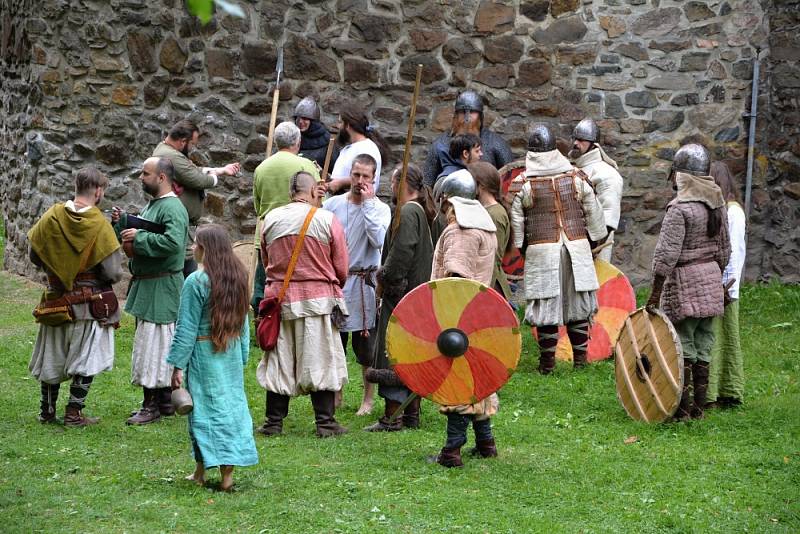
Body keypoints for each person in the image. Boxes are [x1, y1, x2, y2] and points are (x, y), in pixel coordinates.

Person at [28, 166, 124, 426]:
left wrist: (58, 268)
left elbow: (34, 255)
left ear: (76, 186)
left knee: (52, 355)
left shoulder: (50, 217)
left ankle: (47, 411)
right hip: (88, 305)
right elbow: (113, 272)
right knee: (86, 358)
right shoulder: (100, 226)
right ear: (98, 191)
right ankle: (73, 413)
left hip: (55, 301)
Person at [256, 171, 350, 437]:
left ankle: (274, 422)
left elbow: (267, 262)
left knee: (280, 360)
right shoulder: (327, 219)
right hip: (319, 300)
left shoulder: (270, 220)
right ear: (311, 192)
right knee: (319, 358)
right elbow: (341, 266)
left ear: (291, 193)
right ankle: (325, 423)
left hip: (280, 299)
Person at [508, 124, 607, 374]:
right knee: (578, 304)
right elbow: (593, 212)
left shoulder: (524, 183)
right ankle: (580, 360)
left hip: (543, 251)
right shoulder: (576, 177)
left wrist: (521, 247)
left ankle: (548, 364)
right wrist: (593, 240)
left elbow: (517, 222)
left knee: (546, 306)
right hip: (577, 247)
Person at [167, 225, 258, 491]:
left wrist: (178, 365)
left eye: (196, 244)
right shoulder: (238, 277)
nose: (193, 248)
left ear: (206, 249)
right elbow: (243, 323)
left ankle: (208, 470)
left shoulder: (196, 281)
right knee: (231, 410)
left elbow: (186, 327)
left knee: (205, 413)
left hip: (204, 355)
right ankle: (209, 473)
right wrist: (241, 356)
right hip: (228, 354)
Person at [646, 143, 731, 421]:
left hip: (684, 281)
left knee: (683, 343)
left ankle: (682, 410)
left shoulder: (680, 209)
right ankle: (699, 409)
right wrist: (716, 280)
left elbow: (666, 256)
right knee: (704, 342)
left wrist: (654, 294)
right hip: (710, 279)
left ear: (680, 175)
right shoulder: (717, 205)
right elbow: (724, 251)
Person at [113, 157, 189, 425]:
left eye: (146, 174)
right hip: (151, 285)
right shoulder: (153, 206)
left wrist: (139, 238)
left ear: (162, 177)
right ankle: (164, 401)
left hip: (162, 287)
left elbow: (173, 242)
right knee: (154, 342)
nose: (141, 178)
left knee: (156, 344)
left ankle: (152, 405)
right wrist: (124, 225)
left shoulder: (173, 208)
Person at [429, 196, 500, 467]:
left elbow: (455, 280)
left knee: (458, 379)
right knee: (478, 377)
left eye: (447, 209)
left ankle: (452, 449)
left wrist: (444, 316)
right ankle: (486, 443)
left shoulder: (461, 231)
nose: (446, 215)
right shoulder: (484, 228)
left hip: (456, 316)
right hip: (478, 314)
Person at [365, 164, 433, 432]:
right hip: (414, 294)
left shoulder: (408, 211)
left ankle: (393, 416)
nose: (390, 187)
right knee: (409, 351)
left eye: (394, 182)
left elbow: (402, 252)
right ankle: (411, 414)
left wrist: (387, 279)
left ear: (402, 184)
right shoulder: (419, 211)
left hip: (403, 295)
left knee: (395, 351)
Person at [323, 154, 391, 416]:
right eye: (355, 175)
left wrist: (368, 205)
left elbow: (378, 241)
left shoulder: (380, 209)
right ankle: (337, 393)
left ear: (373, 180)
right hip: (338, 281)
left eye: (365, 177)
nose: (359, 181)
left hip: (365, 283)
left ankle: (368, 398)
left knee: (365, 348)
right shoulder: (333, 205)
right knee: (335, 342)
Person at [152, 119, 240, 277]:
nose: (192, 148)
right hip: (178, 223)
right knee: (187, 268)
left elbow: (191, 169)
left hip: (183, 222)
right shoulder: (170, 155)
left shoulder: (169, 151)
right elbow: (196, 179)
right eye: (192, 144)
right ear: (182, 141)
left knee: (187, 263)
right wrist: (213, 178)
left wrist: (220, 170)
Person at [252, 121, 321, 313]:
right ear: (297, 142)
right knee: (294, 278)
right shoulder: (306, 166)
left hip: (267, 232)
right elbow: (317, 202)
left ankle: (262, 320)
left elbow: (258, 207)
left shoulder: (261, 168)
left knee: (264, 281)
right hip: (297, 232)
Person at [707, 161, 746, 409]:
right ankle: (712, 391)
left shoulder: (733, 212)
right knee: (712, 338)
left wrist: (726, 285)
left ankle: (728, 391)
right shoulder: (719, 209)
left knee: (725, 338)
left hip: (725, 286)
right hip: (713, 284)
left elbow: (733, 253)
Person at [423, 89, 513, 187]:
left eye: (472, 112)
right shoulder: (440, 145)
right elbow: (427, 185)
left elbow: (509, 179)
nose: (467, 118)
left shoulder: (495, 143)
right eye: (462, 112)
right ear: (456, 115)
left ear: (480, 116)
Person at [568, 118, 624, 263]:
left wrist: (591, 249)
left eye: (581, 140)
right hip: (571, 245)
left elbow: (608, 220)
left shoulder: (606, 174)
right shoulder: (572, 170)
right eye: (575, 139)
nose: (575, 143)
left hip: (592, 250)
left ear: (594, 145)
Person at [470, 161, 513, 301]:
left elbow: (492, 257)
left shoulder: (495, 214)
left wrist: (483, 292)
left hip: (491, 284)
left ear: (480, 186)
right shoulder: (486, 211)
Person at [327, 102, 390, 194]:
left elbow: (365, 178)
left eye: (340, 122)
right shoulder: (350, 148)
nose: (338, 126)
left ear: (347, 125)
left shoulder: (367, 148)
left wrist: (339, 183)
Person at [294, 96, 339, 170]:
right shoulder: (293, 138)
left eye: (305, 118)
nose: (300, 122)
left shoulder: (328, 142)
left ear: (313, 122)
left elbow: (334, 172)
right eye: (298, 118)